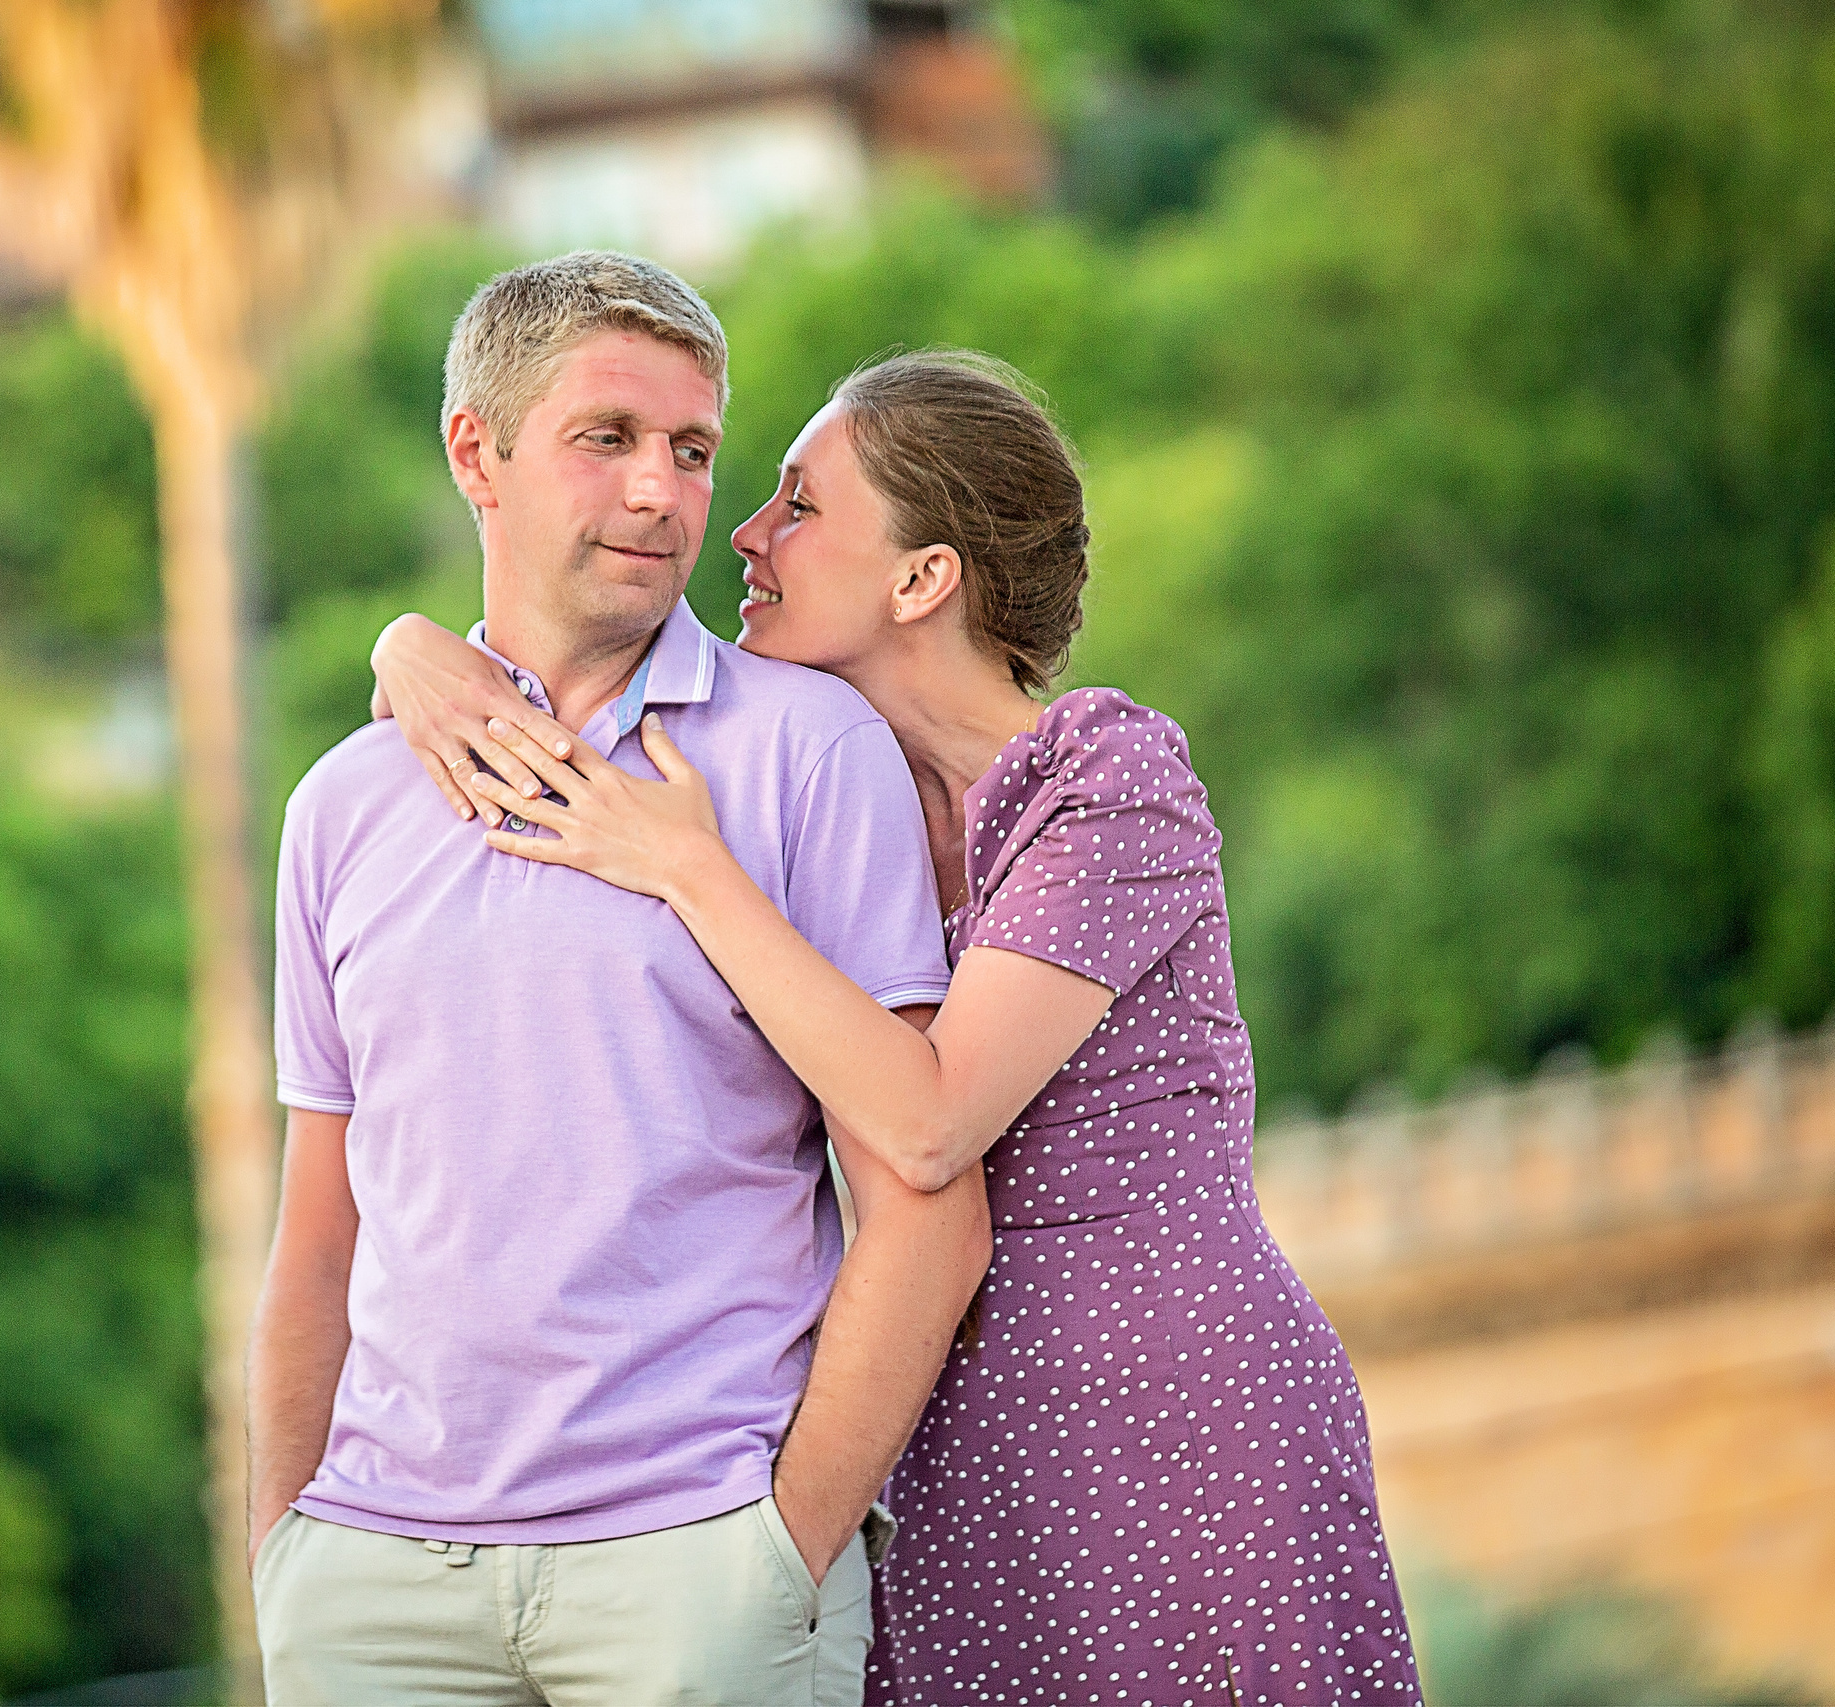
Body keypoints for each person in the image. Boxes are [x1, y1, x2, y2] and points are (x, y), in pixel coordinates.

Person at [369, 351, 1423, 1705]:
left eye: (799, 508)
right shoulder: (809, 801)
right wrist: (403, 649)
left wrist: (689, 869)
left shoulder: (1107, 781)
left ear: (923, 579)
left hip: (1174, 1418)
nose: (742, 534)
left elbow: (929, 1119)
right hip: (938, 1448)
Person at [247, 254, 993, 1707]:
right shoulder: (341, 807)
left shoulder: (807, 753)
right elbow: (319, 1228)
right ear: (479, 452)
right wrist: (291, 1558)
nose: (663, 492)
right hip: (378, 1587)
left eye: (694, 451)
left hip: (698, 1577)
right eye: (608, 439)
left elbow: (920, 1187)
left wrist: (786, 1547)